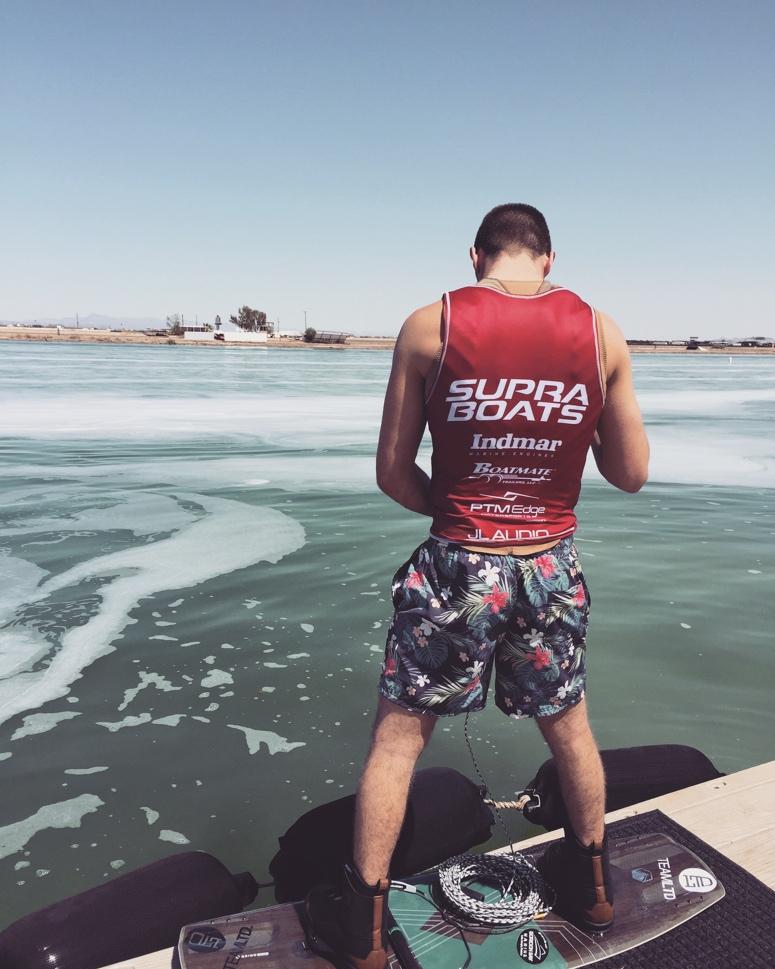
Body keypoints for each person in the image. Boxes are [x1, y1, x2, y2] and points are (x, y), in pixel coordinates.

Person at [305, 203, 650, 969]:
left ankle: (361, 932)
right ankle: (592, 888)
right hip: (550, 564)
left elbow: (392, 473)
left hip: (459, 560)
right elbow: (629, 473)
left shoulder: (432, 324)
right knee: (569, 728)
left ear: (475, 256)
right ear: (548, 259)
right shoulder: (602, 333)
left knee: (396, 743)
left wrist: (470, 517)